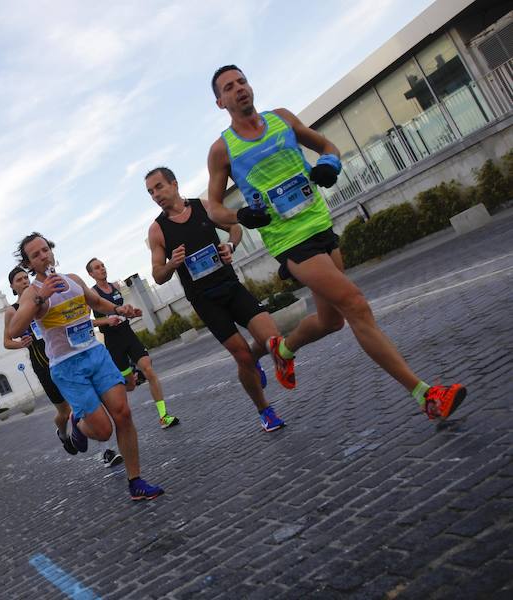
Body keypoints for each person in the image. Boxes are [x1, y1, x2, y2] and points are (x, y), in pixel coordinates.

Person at [204, 64, 466, 421]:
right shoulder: (222, 149)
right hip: (290, 240)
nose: (239, 89)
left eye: (242, 81)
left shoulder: (281, 118)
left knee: (331, 321)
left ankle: (284, 349)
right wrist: (242, 216)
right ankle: (425, 395)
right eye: (229, 88)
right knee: (356, 305)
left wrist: (328, 164)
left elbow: (328, 145)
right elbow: (215, 208)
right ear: (221, 102)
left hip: (320, 223)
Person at [8, 233, 163, 500]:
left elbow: (96, 303)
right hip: (67, 367)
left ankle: (136, 481)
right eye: (36, 255)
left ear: (52, 251)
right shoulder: (32, 293)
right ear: (29, 264)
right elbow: (14, 329)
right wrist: (40, 297)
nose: (43, 256)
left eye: (46, 250)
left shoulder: (73, 280)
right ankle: (78, 426)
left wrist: (120, 309)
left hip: (95, 354)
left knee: (123, 414)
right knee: (103, 432)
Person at [146, 167, 286, 432]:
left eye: (159, 187)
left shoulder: (204, 207)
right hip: (205, 300)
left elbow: (235, 228)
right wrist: (172, 264)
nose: (156, 195)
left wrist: (230, 246)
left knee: (271, 338)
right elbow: (157, 275)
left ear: (174, 184)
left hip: (230, 286)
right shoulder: (157, 230)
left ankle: (254, 359)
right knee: (242, 357)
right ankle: (265, 410)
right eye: (151, 192)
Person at [5, 266, 122, 467]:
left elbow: (76, 319)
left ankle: (107, 451)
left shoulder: (50, 295)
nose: (24, 281)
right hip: (44, 364)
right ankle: (62, 431)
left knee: (90, 403)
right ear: (12, 287)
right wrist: (19, 344)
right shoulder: (13, 311)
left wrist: (106, 319)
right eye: (19, 280)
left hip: (69, 358)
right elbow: (7, 339)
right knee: (64, 412)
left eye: (26, 277)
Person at [87, 258, 180, 430]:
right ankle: (129, 381)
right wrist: (107, 321)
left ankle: (163, 416)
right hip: (114, 343)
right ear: (91, 274)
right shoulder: (91, 295)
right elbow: (87, 322)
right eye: (97, 268)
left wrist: (133, 314)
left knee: (149, 369)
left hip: (128, 335)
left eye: (103, 266)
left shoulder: (115, 286)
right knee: (129, 386)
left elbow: (123, 312)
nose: (102, 269)